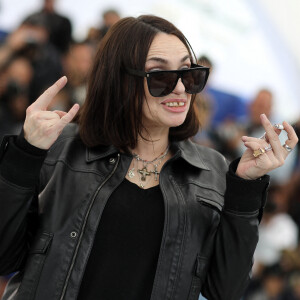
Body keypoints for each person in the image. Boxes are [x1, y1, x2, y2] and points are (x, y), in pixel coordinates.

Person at [0, 15, 298, 300]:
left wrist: (245, 189)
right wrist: (26, 154)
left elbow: (226, 290)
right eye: (161, 76)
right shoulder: (61, 149)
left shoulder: (212, 171)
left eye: (188, 73)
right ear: (120, 79)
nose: (180, 88)